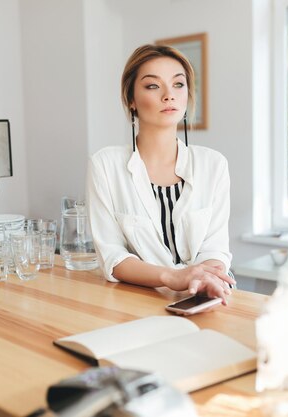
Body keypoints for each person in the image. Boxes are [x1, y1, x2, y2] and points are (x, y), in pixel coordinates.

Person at [86, 44, 234, 303]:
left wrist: (200, 278)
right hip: (136, 302)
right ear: (131, 99)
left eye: (178, 84)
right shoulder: (105, 165)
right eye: (153, 86)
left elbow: (216, 248)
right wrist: (173, 277)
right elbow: (113, 257)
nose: (169, 95)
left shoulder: (214, 164)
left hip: (204, 298)